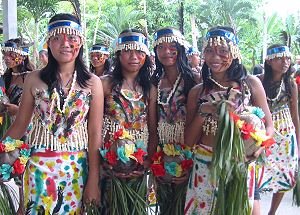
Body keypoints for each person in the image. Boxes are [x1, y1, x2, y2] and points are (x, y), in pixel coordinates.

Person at [2, 13, 103, 214]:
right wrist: (2, 150)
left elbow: (94, 134)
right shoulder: (33, 78)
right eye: (57, 38)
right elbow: (20, 124)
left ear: (81, 41)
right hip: (38, 166)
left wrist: (93, 179)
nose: (65, 44)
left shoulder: (93, 83)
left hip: (76, 169)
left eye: (72, 38)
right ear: (48, 42)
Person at [183, 26, 273, 214]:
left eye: (223, 51)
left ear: (235, 52)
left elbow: (269, 126)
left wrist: (258, 148)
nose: (215, 57)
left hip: (238, 164)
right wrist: (203, 111)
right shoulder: (197, 92)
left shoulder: (250, 84)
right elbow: (189, 141)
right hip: (204, 167)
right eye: (209, 51)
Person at [100, 29, 157, 214]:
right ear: (119, 54)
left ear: (146, 56)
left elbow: (153, 128)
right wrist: (102, 161)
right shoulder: (105, 83)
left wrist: (147, 160)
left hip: (138, 165)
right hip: (108, 163)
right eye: (128, 51)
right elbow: (94, 126)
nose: (134, 56)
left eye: (140, 52)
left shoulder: (149, 89)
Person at [150, 27, 196, 215]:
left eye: (172, 47)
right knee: (166, 205)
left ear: (181, 49)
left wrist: (190, 162)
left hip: (188, 149)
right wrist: (155, 160)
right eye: (161, 47)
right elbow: (151, 126)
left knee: (186, 205)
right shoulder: (154, 81)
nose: (166, 52)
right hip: (162, 150)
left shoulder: (193, 79)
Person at [257, 44, 299, 215]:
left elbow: (295, 115)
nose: (285, 62)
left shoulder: (290, 84)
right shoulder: (258, 81)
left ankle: (272, 212)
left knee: (285, 174)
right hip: (262, 132)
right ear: (269, 60)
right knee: (257, 173)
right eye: (280, 58)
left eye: (288, 58)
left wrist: (298, 141)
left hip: (286, 133)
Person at [2, 38, 35, 120]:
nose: (6, 58)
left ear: (23, 56)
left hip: (25, 127)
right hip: (6, 125)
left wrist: (18, 111)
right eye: (5, 54)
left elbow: (42, 109)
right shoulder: (4, 78)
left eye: (11, 54)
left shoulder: (33, 78)